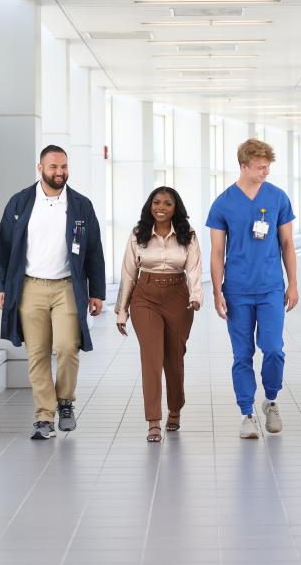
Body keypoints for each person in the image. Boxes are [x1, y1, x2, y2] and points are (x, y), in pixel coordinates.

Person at [0, 145, 106, 440]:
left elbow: (94, 250)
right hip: (30, 287)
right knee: (37, 353)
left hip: (67, 286)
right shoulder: (20, 203)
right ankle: (44, 417)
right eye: (54, 167)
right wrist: (1, 287)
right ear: (40, 168)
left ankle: (65, 402)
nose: (60, 172)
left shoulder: (81, 205)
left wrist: (97, 291)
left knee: (69, 346)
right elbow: (3, 248)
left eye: (64, 167)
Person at [206, 138, 298, 439]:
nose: (266, 171)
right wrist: (218, 291)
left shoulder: (278, 198)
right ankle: (247, 413)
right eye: (260, 167)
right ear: (243, 166)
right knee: (242, 354)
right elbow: (217, 252)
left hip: (271, 287)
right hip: (237, 290)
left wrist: (293, 283)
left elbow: (287, 243)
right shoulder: (223, 203)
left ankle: (271, 399)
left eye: (268, 166)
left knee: (273, 349)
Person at [115, 187, 202, 442]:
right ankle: (153, 420)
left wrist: (196, 297)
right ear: (149, 205)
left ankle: (175, 409)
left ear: (176, 208)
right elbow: (128, 273)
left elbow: (195, 269)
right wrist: (122, 311)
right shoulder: (138, 234)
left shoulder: (188, 235)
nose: (160, 207)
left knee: (174, 358)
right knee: (151, 357)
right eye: (156, 202)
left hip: (178, 297)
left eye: (167, 203)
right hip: (145, 296)